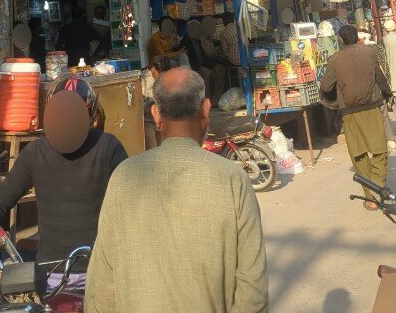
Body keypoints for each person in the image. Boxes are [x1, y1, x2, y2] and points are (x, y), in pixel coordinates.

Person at [85, 68, 268, 313]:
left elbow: (100, 289)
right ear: (205, 109)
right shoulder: (233, 180)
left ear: (156, 114)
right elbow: (252, 291)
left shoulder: (123, 177)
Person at [0, 73, 127, 291]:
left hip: (54, 275)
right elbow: (132, 204)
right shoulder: (108, 146)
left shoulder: (36, 152)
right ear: (91, 112)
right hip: (99, 273)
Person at [320, 24, 391, 209]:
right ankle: (379, 186)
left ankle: (370, 197)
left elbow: (326, 87)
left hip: (350, 113)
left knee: (358, 153)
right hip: (373, 108)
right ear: (357, 38)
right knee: (379, 150)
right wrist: (388, 94)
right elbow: (379, 76)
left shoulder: (334, 59)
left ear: (341, 40)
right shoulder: (369, 52)